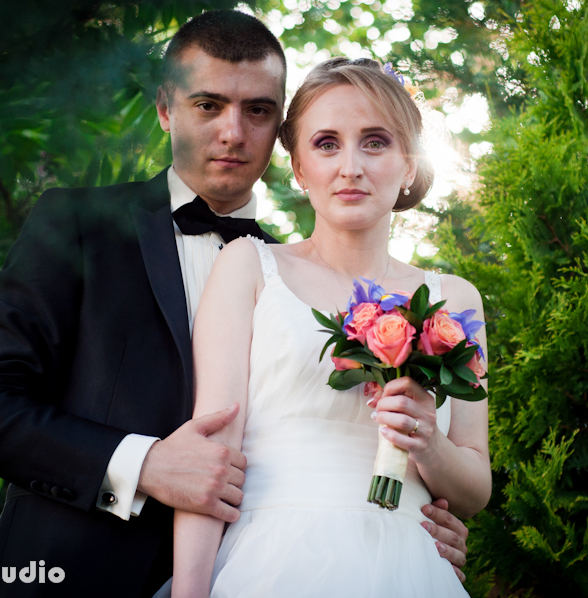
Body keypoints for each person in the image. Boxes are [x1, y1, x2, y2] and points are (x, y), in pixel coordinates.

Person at [0, 11, 469, 597]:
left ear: (282, 133)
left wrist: (413, 529)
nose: (234, 132)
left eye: (259, 111)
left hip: (265, 571)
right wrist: (143, 465)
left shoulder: (290, 282)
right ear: (166, 107)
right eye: (208, 105)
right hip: (72, 577)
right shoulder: (76, 225)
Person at [169, 57, 491, 598]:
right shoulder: (249, 266)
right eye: (326, 143)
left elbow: (475, 486)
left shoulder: (453, 299)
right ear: (298, 167)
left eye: (375, 142)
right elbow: (212, 452)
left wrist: (427, 439)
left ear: (409, 165)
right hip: (271, 557)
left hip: (409, 564)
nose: (350, 166)